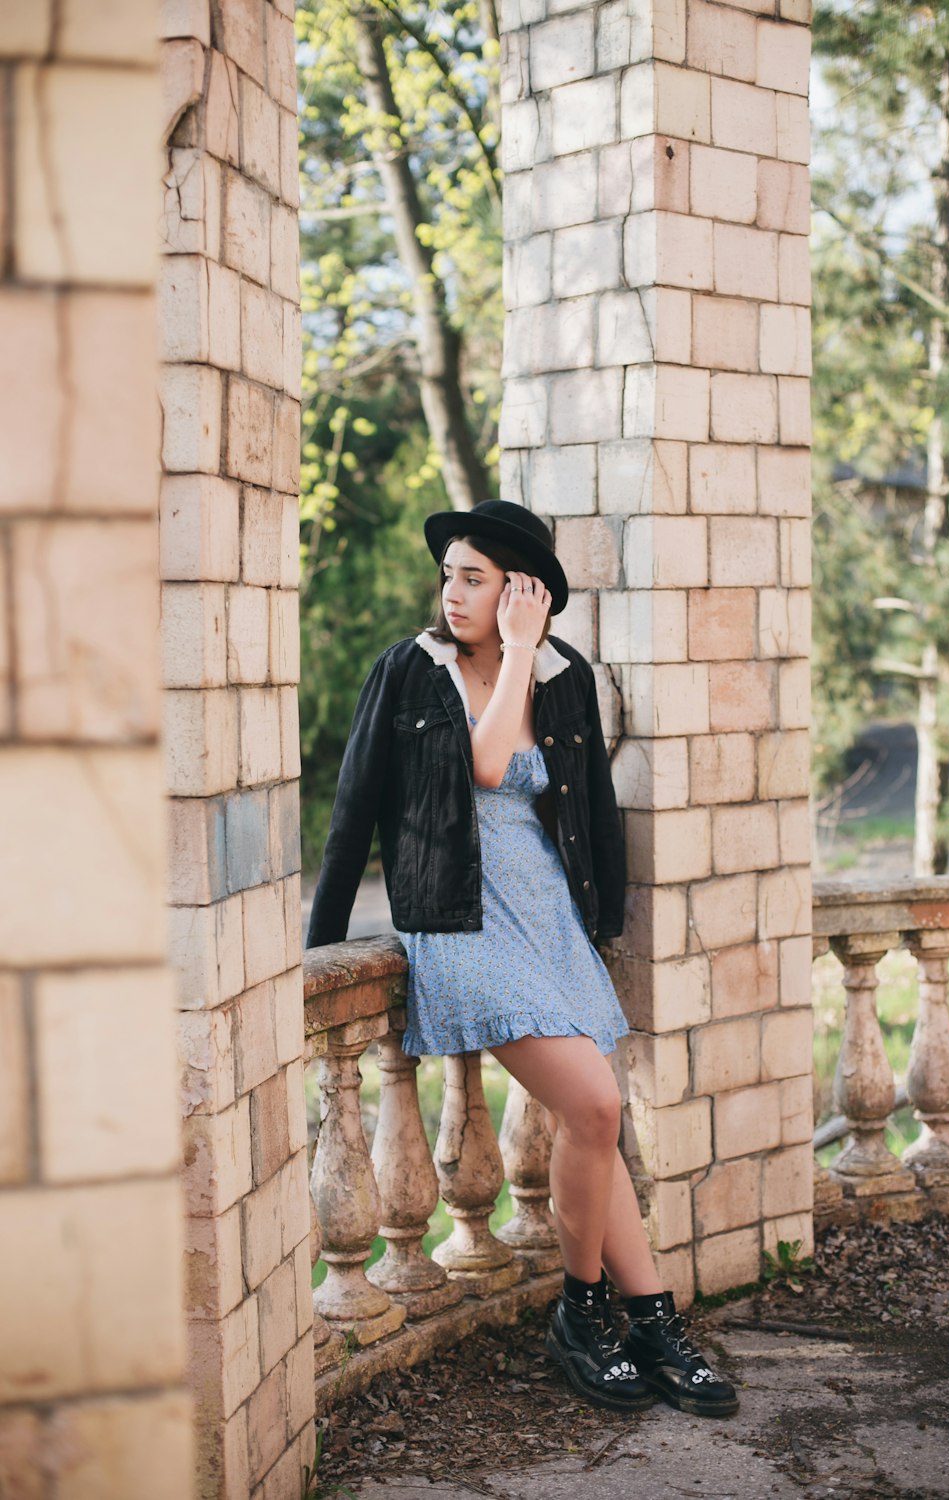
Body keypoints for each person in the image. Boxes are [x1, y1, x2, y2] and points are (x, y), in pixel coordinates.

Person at [307, 499, 738, 1418]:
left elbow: (589, 813)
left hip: (549, 920)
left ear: (522, 592)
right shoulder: (411, 672)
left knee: (595, 1124)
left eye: (475, 577)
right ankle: (582, 1317)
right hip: (460, 923)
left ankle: (651, 1319)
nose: (452, 592)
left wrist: (600, 926)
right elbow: (458, 776)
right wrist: (323, 945)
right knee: (595, 1105)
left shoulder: (564, 676)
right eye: (450, 575)